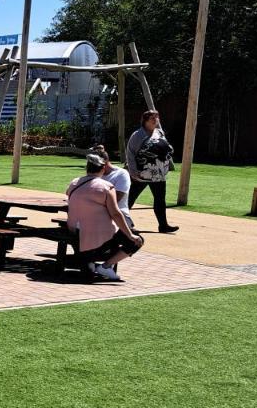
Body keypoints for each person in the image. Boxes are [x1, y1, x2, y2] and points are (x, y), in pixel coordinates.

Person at [66, 152, 145, 281]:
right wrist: (130, 234)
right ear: (103, 169)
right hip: (98, 235)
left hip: (75, 231)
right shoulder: (107, 187)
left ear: (87, 168)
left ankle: (89, 262)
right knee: (136, 240)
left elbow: (68, 194)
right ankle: (106, 266)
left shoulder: (74, 182)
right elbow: (115, 213)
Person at [126, 109, 179, 233]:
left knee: (160, 200)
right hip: (141, 174)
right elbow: (130, 154)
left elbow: (164, 149)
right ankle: (119, 223)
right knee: (130, 198)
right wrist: (132, 171)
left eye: (157, 117)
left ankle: (163, 225)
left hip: (158, 174)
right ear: (145, 121)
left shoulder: (159, 133)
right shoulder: (137, 135)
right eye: (152, 118)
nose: (156, 120)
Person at [93, 144, 133, 232]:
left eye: (95, 164)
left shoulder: (121, 174)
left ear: (106, 161)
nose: (93, 167)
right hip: (96, 214)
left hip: (119, 215)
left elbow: (117, 198)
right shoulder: (94, 173)